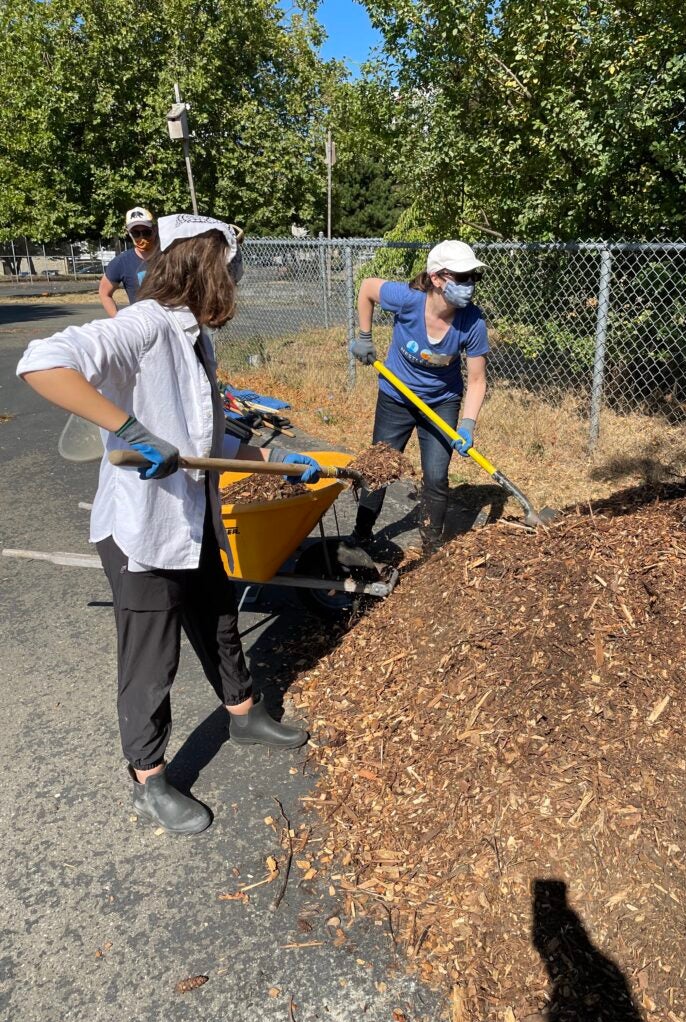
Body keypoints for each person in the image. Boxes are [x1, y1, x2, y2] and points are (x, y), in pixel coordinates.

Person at [17, 214, 321, 836]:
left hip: (190, 517)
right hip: (142, 531)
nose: (236, 282)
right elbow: (41, 360)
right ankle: (149, 778)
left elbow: (201, 437)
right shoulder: (145, 326)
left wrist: (275, 463)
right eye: (232, 270)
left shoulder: (194, 338)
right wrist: (129, 429)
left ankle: (242, 713)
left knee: (218, 619)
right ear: (209, 268)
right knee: (151, 660)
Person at [348, 239, 490, 552]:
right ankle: (359, 538)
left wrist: (467, 424)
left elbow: (478, 380)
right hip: (396, 397)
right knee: (378, 469)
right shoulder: (409, 299)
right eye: (461, 277)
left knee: (437, 476)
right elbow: (368, 287)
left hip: (441, 402)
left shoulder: (473, 322)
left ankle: (432, 550)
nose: (469, 285)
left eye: (473, 278)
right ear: (437, 278)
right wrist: (364, 336)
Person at [98, 206, 158, 317]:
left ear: (154, 230)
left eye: (146, 232)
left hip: (172, 325)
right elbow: (104, 293)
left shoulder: (170, 256)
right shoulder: (122, 262)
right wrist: (118, 320)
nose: (142, 237)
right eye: (136, 233)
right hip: (142, 327)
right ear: (129, 233)